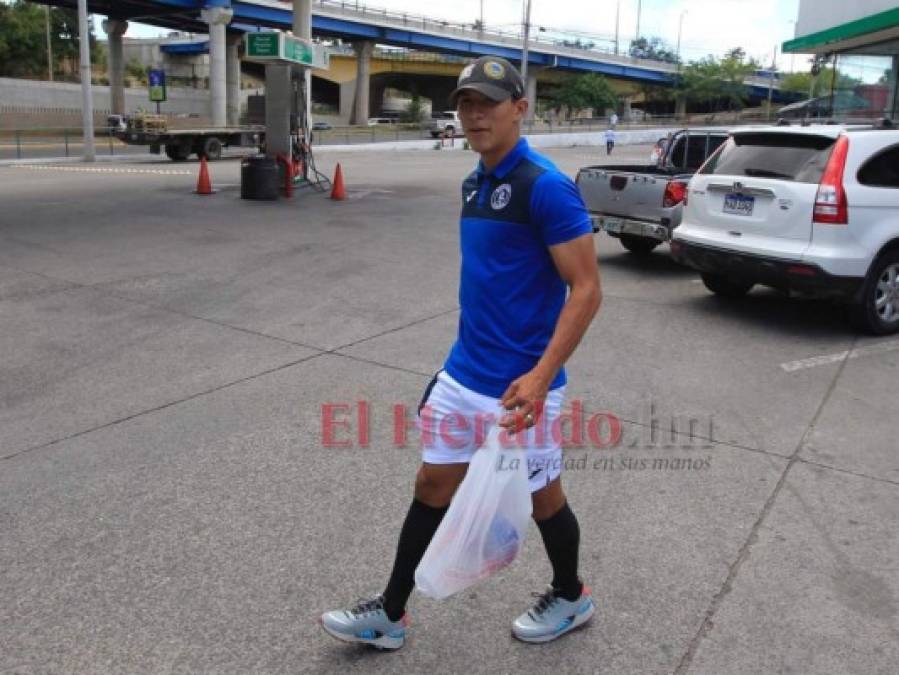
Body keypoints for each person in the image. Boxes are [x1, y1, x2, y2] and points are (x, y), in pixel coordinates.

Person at [320, 55, 602, 650]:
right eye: (466, 104)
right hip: (463, 376)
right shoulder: (475, 181)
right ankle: (390, 613)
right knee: (430, 484)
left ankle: (572, 596)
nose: (474, 115)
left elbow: (587, 290)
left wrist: (541, 374)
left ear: (519, 109)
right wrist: (448, 370)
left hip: (522, 390)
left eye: (488, 104)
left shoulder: (545, 187)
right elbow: (489, 285)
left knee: (544, 496)